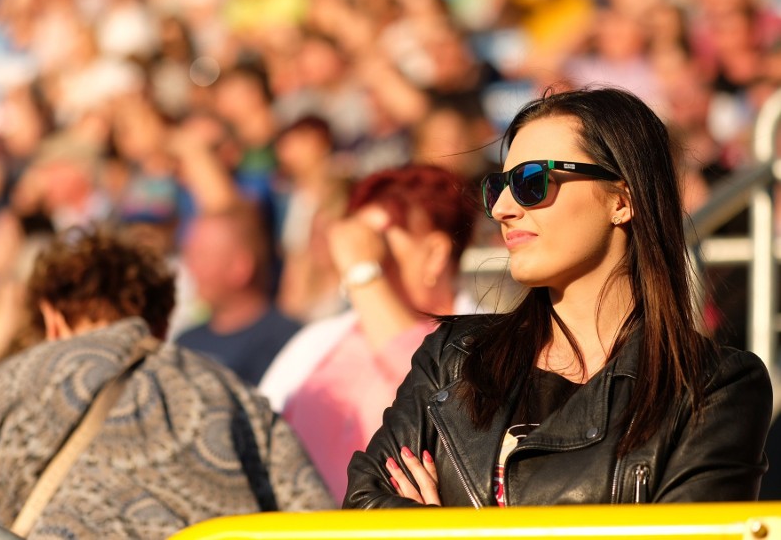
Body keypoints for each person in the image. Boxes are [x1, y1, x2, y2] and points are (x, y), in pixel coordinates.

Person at [344, 87, 773, 509]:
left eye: (533, 182)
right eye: (500, 186)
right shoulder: (452, 358)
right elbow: (366, 506)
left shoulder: (711, 389)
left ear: (622, 200)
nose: (502, 209)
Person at [0, 226, 334, 538]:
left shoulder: (12, 381)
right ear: (162, 321)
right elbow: (312, 518)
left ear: (52, 317)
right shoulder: (235, 393)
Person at [260, 163, 480, 504]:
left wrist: (364, 273)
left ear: (436, 254)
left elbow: (435, 382)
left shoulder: (483, 345)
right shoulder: (318, 342)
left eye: (379, 240)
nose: (363, 249)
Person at [174, 203, 302, 386]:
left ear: (240, 268)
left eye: (201, 256)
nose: (190, 268)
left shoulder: (287, 343)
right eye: (189, 256)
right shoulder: (185, 342)